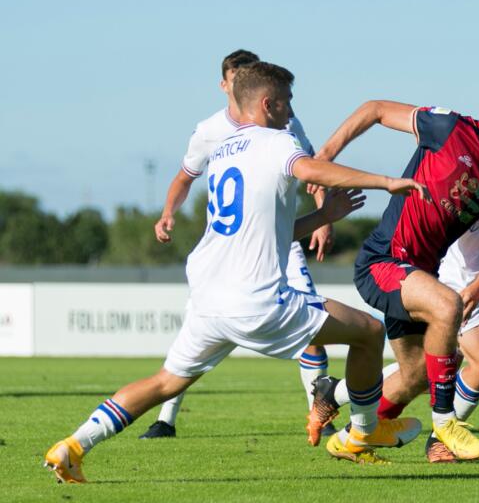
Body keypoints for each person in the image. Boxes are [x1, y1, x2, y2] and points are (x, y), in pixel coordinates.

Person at [43, 61, 428, 484]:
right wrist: (387, 181)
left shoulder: (225, 151)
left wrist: (324, 216)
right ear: (268, 104)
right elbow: (313, 169)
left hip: (209, 300)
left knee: (165, 382)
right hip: (256, 301)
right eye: (287, 102)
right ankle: (364, 432)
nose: (292, 110)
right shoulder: (277, 141)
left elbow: (267, 230)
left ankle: (74, 445)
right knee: (370, 332)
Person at [306, 72, 479, 463]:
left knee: (416, 375)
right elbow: (375, 109)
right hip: (383, 260)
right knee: (449, 308)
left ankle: (335, 401)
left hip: (421, 274)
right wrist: (325, 156)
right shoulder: (449, 128)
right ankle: (445, 424)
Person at [141, 49, 336, 439]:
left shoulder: (285, 124)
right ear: (224, 84)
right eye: (235, 75)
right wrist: (168, 212)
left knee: (313, 332)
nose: (238, 81)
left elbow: (314, 168)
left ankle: (321, 420)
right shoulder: (209, 130)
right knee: (196, 331)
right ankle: (166, 418)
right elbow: (184, 177)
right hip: (227, 252)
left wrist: (323, 215)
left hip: (279, 243)